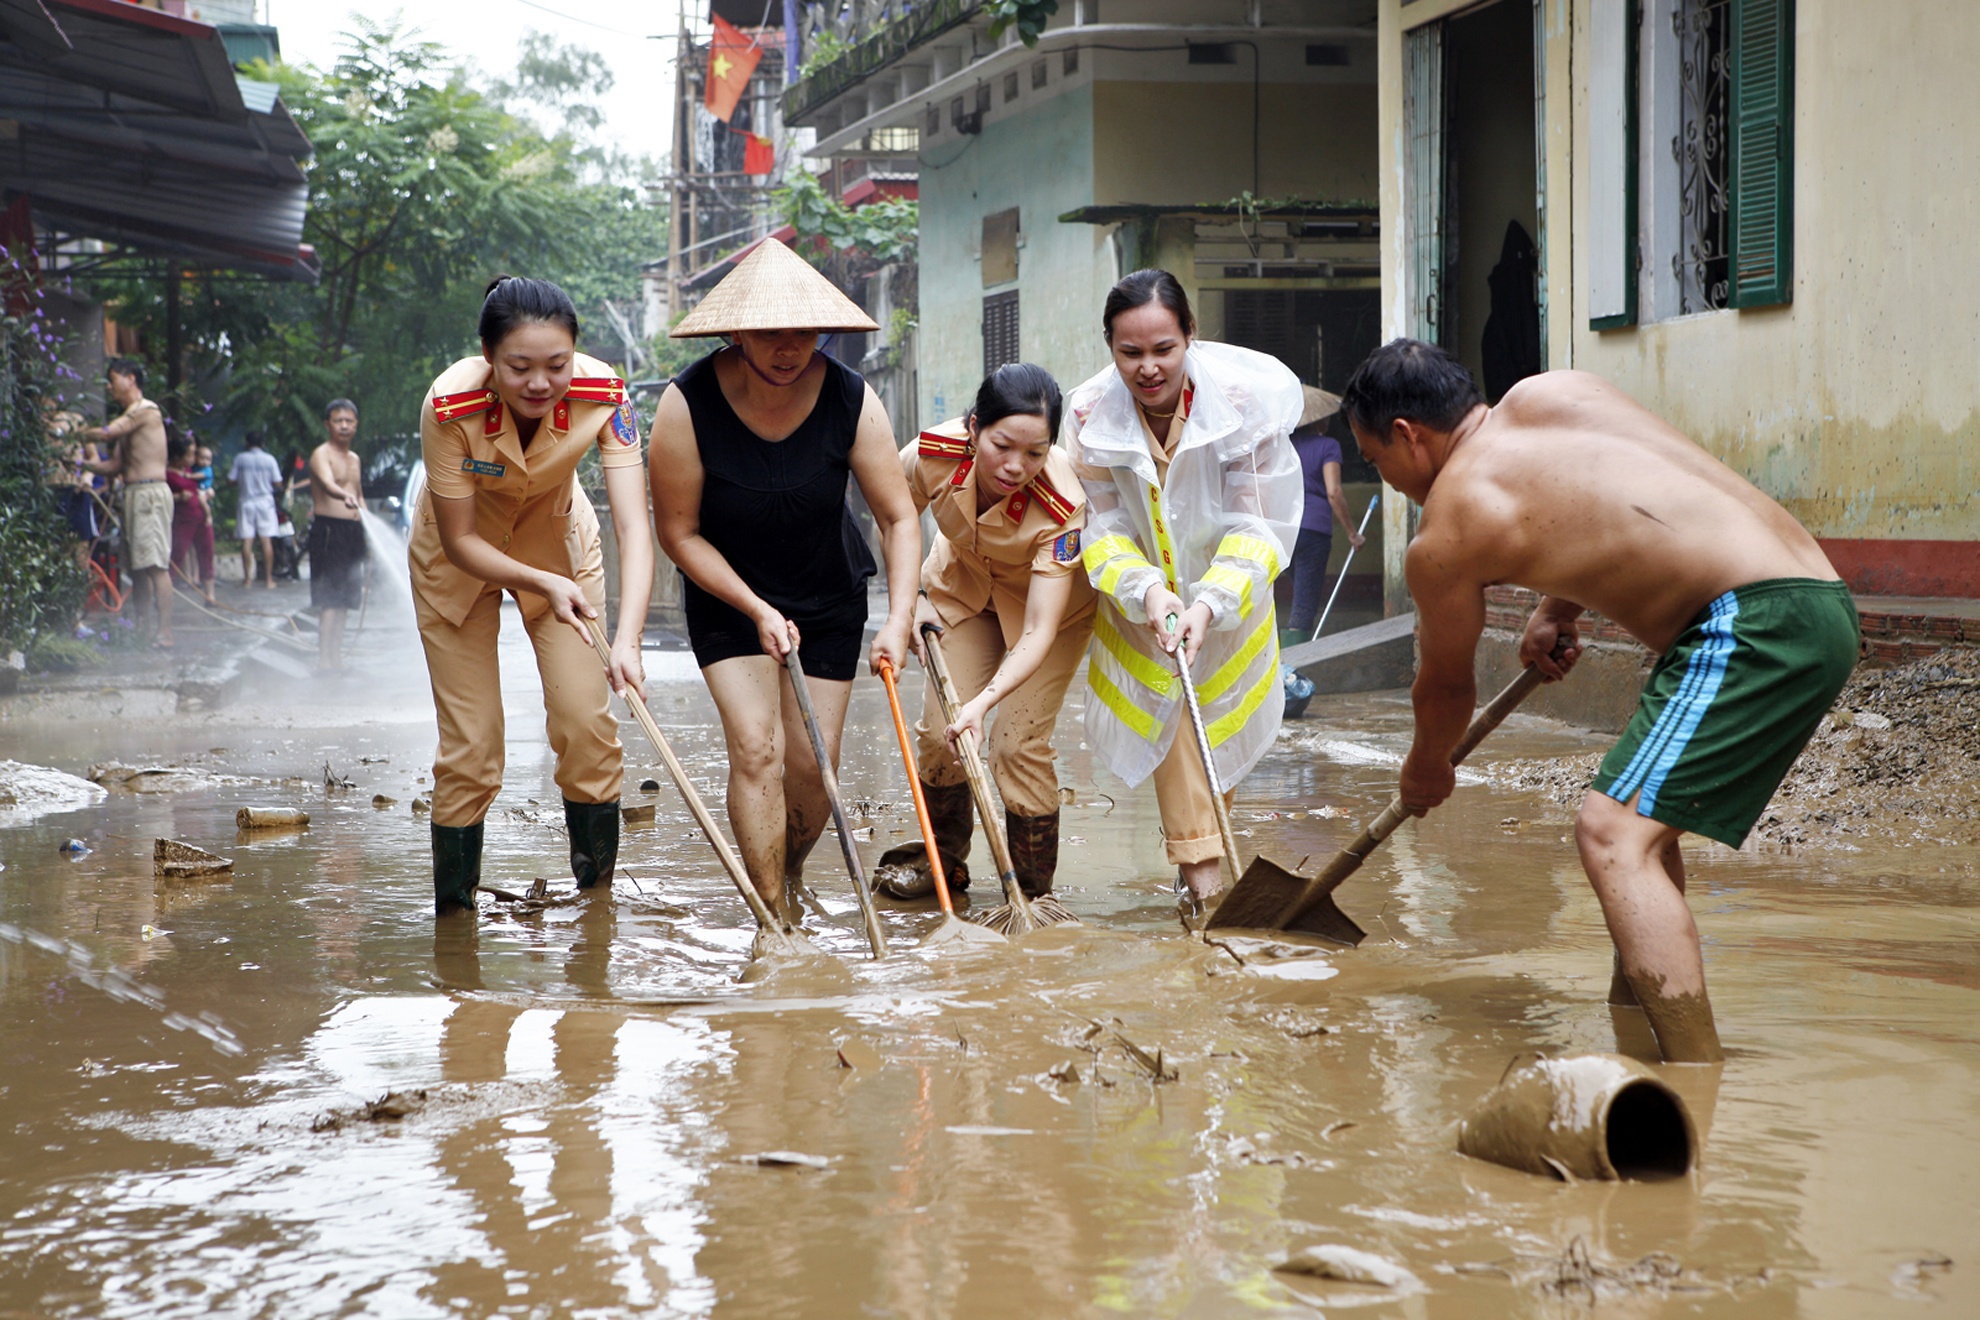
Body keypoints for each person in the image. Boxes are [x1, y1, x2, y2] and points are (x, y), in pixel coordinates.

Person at [1338, 339, 1859, 1063]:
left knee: (1610, 833)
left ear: (1406, 434)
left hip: (1751, 624)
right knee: (1644, 832)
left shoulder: (1447, 531)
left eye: (1374, 462)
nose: (1387, 479)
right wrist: (1560, 606)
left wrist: (1426, 767)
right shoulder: (1557, 392)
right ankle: (1637, 1023)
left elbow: (1447, 685)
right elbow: (1619, 491)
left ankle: (1692, 1076)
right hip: (1814, 594)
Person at [649, 237, 920, 916]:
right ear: (736, 331)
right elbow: (678, 533)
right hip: (729, 596)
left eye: (802, 331)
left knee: (810, 768)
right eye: (769, 332)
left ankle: (788, 872)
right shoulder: (687, 405)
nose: (788, 347)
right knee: (757, 749)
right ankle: (772, 916)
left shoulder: (852, 399)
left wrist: (900, 615)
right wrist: (755, 606)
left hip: (829, 594)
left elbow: (899, 518)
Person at [412, 276, 652, 917]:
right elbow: (461, 541)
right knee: (473, 748)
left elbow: (634, 525)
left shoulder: (606, 396)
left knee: (586, 725)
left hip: (560, 548)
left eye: (557, 365)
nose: (541, 384)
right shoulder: (447, 407)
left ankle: (596, 907)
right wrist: (543, 584)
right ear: (489, 359)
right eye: (520, 367)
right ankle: (455, 923)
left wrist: (627, 640)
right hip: (458, 559)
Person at [1067, 269, 1304, 908]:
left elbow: (1259, 522)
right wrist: (1147, 592)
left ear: (1190, 336)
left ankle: (1197, 867)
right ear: (1110, 347)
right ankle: (1206, 892)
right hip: (1144, 609)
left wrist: (1209, 602)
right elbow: (1104, 526)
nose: (1148, 368)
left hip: (1229, 604)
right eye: (1130, 353)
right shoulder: (1089, 415)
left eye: (1163, 349)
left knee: (1216, 735)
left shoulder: (1244, 407)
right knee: (1176, 737)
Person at [873, 363, 1096, 902]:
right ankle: (943, 864)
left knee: (1014, 746)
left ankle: (1034, 894)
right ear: (973, 429)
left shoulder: (1064, 506)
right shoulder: (932, 453)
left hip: (1047, 615)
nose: (1017, 466)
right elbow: (895, 518)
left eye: (1036, 453)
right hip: (963, 592)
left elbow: (1040, 630)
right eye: (1002, 445)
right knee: (938, 734)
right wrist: (907, 605)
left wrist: (984, 703)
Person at [80, 358, 174, 647]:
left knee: (155, 565)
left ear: (130, 378)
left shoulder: (146, 411)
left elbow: (109, 432)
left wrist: (73, 432)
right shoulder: (129, 418)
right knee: (136, 568)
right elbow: (115, 466)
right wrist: (81, 464)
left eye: (113, 380)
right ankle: (142, 630)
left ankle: (165, 633)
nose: (109, 387)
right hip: (133, 495)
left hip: (150, 495)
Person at [1282, 413, 1367, 643]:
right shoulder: (1328, 446)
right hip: (1313, 531)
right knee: (1305, 603)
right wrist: (1352, 533)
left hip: (1284, 530)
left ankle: (1292, 654)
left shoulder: (1284, 447)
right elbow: (1334, 492)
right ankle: (1295, 666)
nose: (1327, 421)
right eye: (1324, 417)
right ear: (1314, 419)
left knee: (1302, 594)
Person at [308, 398, 366, 671]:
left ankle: (337, 659)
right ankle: (323, 661)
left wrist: (368, 528)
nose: (344, 426)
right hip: (330, 531)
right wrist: (346, 496)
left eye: (349, 421)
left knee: (345, 600)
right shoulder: (322, 453)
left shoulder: (354, 458)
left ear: (356, 425)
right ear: (327, 424)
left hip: (352, 532)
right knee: (330, 599)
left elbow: (360, 496)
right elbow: (329, 485)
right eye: (338, 421)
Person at [167, 437, 217, 606]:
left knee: (206, 552)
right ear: (177, 456)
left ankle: (210, 595)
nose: (193, 458)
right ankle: (164, 594)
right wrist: (178, 497)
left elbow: (203, 485)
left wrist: (209, 491)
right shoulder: (167, 474)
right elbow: (162, 496)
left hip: (201, 518)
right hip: (182, 520)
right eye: (189, 455)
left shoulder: (191, 470)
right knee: (177, 554)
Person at [230, 430, 281, 588]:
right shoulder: (269, 459)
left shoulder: (240, 459)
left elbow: (230, 480)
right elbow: (278, 482)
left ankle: (247, 580)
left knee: (247, 540)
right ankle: (268, 579)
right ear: (263, 444)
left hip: (246, 502)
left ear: (247, 443)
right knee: (266, 540)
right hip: (265, 503)